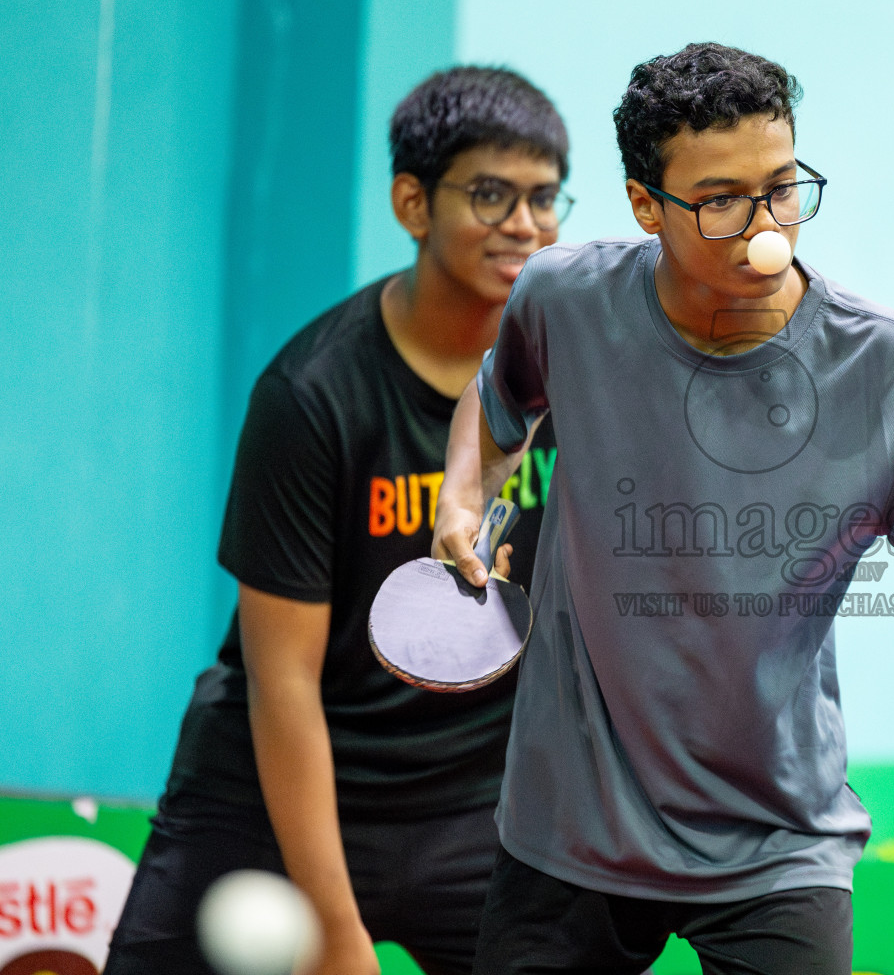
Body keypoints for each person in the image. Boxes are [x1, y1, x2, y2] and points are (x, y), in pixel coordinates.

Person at [432, 43, 894, 974]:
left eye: (783, 187)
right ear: (644, 205)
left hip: (778, 841)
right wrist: (465, 498)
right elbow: (498, 404)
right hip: (573, 825)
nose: (764, 226)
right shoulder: (565, 298)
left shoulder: (883, 365)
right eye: (722, 199)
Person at [105, 66, 570, 975]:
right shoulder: (311, 395)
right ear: (412, 202)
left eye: (545, 198)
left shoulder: (574, 380)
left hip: (474, 803)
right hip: (270, 791)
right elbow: (283, 684)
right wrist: (333, 927)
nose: (525, 224)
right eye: (491, 195)